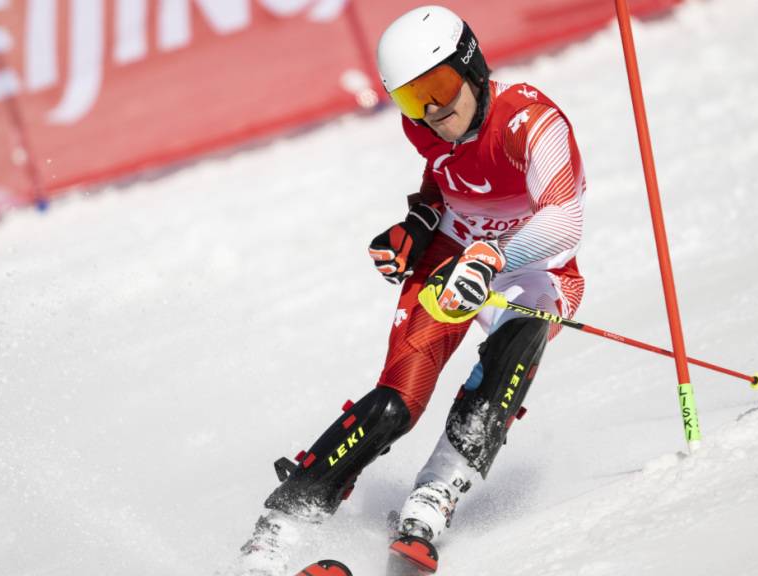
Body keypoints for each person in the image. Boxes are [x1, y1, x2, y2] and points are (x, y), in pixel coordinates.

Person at [237, 5, 585, 574]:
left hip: (530, 264)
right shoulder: (423, 128)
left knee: (521, 334)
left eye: (441, 86)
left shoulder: (534, 124)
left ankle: (434, 494)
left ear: (470, 65)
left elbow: (564, 220)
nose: (432, 111)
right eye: (411, 98)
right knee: (398, 400)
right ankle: (282, 522)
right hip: (452, 258)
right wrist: (418, 225)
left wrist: (495, 257)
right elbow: (444, 181)